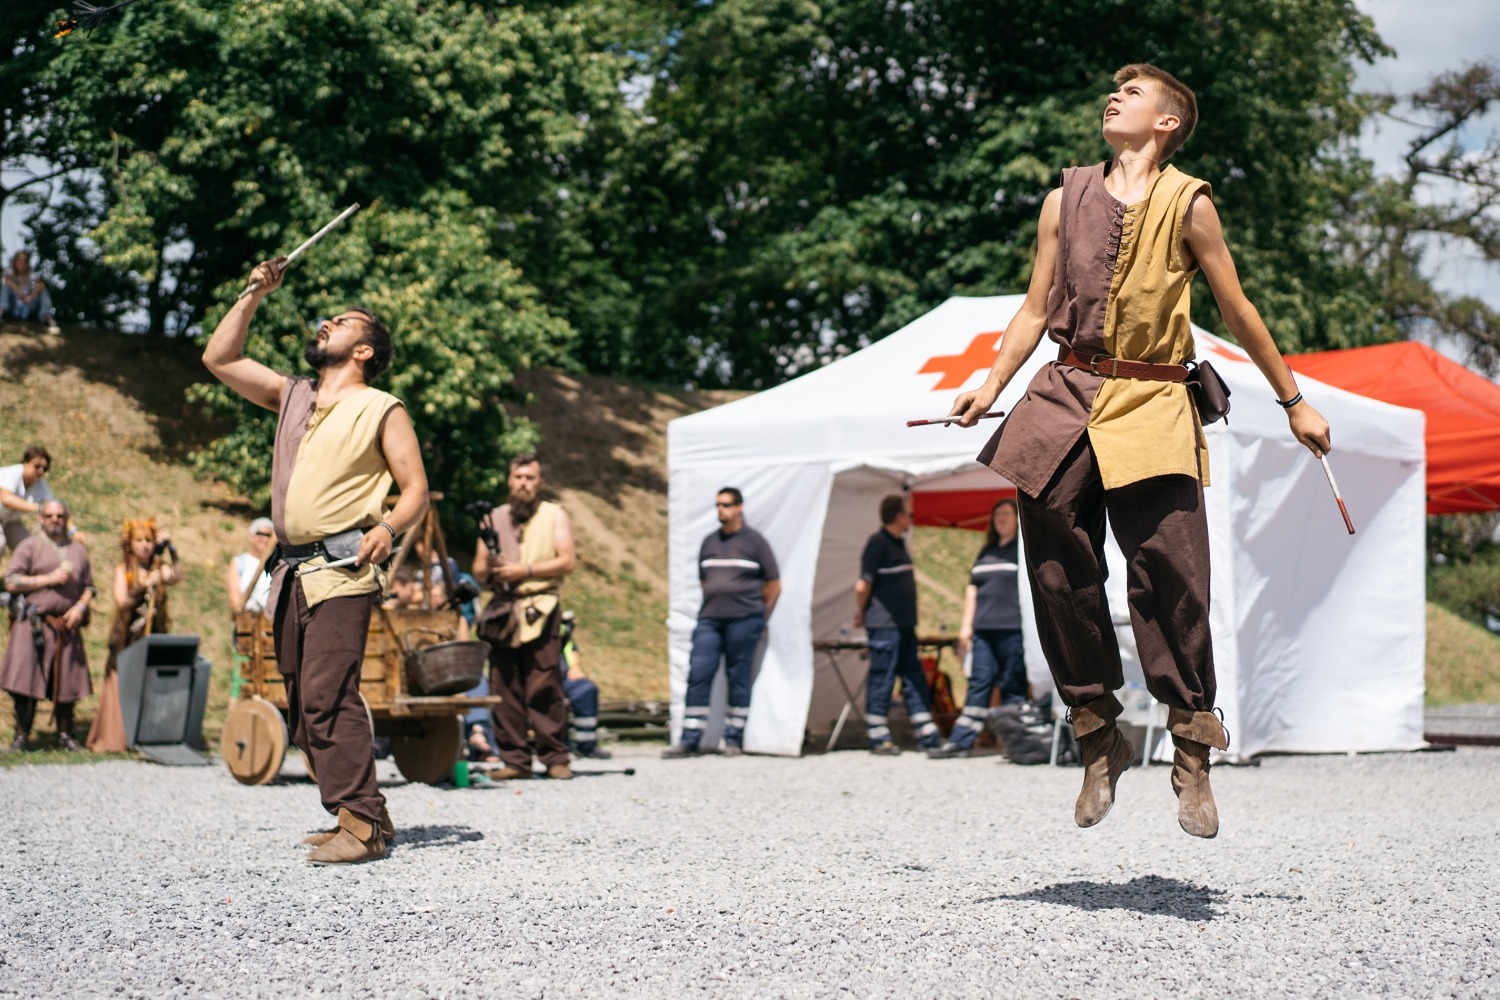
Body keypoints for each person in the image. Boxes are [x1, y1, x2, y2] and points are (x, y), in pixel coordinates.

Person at [948, 64, 1332, 838]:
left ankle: (1191, 749)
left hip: (1155, 397)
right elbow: (1032, 309)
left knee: (1173, 574)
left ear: (1167, 123)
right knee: (1054, 566)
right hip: (1067, 393)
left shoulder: (1189, 204)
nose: (1113, 97)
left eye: (1134, 93)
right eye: (1112, 90)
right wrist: (989, 383)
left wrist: (1295, 400)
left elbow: (1238, 306)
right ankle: (1098, 735)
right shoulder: (1065, 200)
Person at [203, 256, 429, 865]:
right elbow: (219, 359)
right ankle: (367, 818)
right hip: (291, 572)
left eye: (345, 321)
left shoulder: (383, 407)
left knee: (330, 694)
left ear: (365, 350)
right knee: (303, 708)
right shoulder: (293, 396)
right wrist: (253, 292)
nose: (328, 321)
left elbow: (415, 491)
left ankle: (357, 824)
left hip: (344, 570)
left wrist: (386, 526)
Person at [473, 453, 577, 781]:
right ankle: (515, 760)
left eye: (530, 478)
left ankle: (555, 757)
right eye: (518, 477)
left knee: (544, 682)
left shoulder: (554, 514)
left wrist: (526, 570)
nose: (523, 483)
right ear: (509, 480)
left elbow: (567, 561)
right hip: (504, 609)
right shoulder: (494, 517)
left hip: (540, 606)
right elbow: (477, 569)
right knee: (504, 684)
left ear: (540, 482)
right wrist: (492, 566)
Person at [663, 487, 781, 758]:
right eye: (717, 505)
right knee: (699, 672)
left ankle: (733, 737)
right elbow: (704, 579)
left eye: (726, 505)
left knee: (738, 677)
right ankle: (690, 739)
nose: (721, 510)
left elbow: (774, 583)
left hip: (745, 620)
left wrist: (760, 614)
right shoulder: (709, 542)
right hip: (710, 619)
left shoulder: (755, 542)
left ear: (739, 507)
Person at [928, 498, 1027, 758]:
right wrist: (965, 626)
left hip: (1013, 629)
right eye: (998, 515)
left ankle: (1016, 742)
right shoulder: (986, 553)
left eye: (1007, 513)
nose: (1002, 518)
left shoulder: (1022, 551)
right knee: (979, 682)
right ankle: (961, 741)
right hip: (983, 629)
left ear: (1018, 519)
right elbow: (972, 590)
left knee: (1012, 684)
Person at [1, 499, 93, 751]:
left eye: (60, 516)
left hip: (66, 626)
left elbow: (89, 587)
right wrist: (48, 579)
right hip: (33, 624)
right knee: (24, 684)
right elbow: (11, 581)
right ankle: (21, 736)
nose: (55, 520)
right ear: (41, 519)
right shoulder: (28, 546)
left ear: (66, 519)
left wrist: (80, 607)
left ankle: (65, 735)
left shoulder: (78, 551)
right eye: (50, 516)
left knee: (68, 684)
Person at [853, 494, 939, 755]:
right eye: (910, 514)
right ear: (898, 516)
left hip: (903, 624)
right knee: (883, 676)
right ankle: (878, 736)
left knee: (913, 675)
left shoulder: (899, 543)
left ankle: (926, 733)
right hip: (884, 624)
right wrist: (861, 612)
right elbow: (862, 585)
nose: (912, 519)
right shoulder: (877, 543)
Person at [87, 518, 182, 752]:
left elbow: (177, 575)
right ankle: (116, 739)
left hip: (153, 635)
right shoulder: (124, 571)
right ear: (130, 544)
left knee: (149, 684)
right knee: (121, 683)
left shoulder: (158, 568)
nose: (145, 546)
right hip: (128, 637)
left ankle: (145, 736)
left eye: (149, 541)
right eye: (139, 541)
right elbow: (122, 600)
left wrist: (171, 549)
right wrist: (143, 586)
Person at [558, 610, 610, 759]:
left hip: (564, 678)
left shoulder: (565, 638)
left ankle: (587, 745)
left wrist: (575, 666)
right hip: (543, 677)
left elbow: (571, 650)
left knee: (586, 690)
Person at [0, 447, 57, 557]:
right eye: (37, 466)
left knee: (29, 547)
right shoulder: (11, 473)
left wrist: (73, 531)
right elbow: (6, 499)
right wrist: (37, 507)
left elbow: (54, 508)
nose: (40, 471)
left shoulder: (41, 485)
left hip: (9, 520)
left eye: (45, 468)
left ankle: (19, 573)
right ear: (25, 462)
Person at [0, 251, 60, 333]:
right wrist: (17, 288)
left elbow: (41, 285)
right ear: (15, 262)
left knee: (43, 291)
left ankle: (48, 319)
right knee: (5, 287)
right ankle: (0, 313)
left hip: (28, 307)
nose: (22, 263)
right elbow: (5, 279)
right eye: (20, 260)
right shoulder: (10, 272)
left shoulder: (31, 274)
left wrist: (31, 296)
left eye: (25, 261)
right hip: (13, 308)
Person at [226, 517, 275, 615]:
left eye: (268, 535)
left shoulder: (277, 565)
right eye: (260, 534)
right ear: (251, 537)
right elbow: (234, 600)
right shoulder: (239, 563)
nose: (264, 539)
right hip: (247, 622)